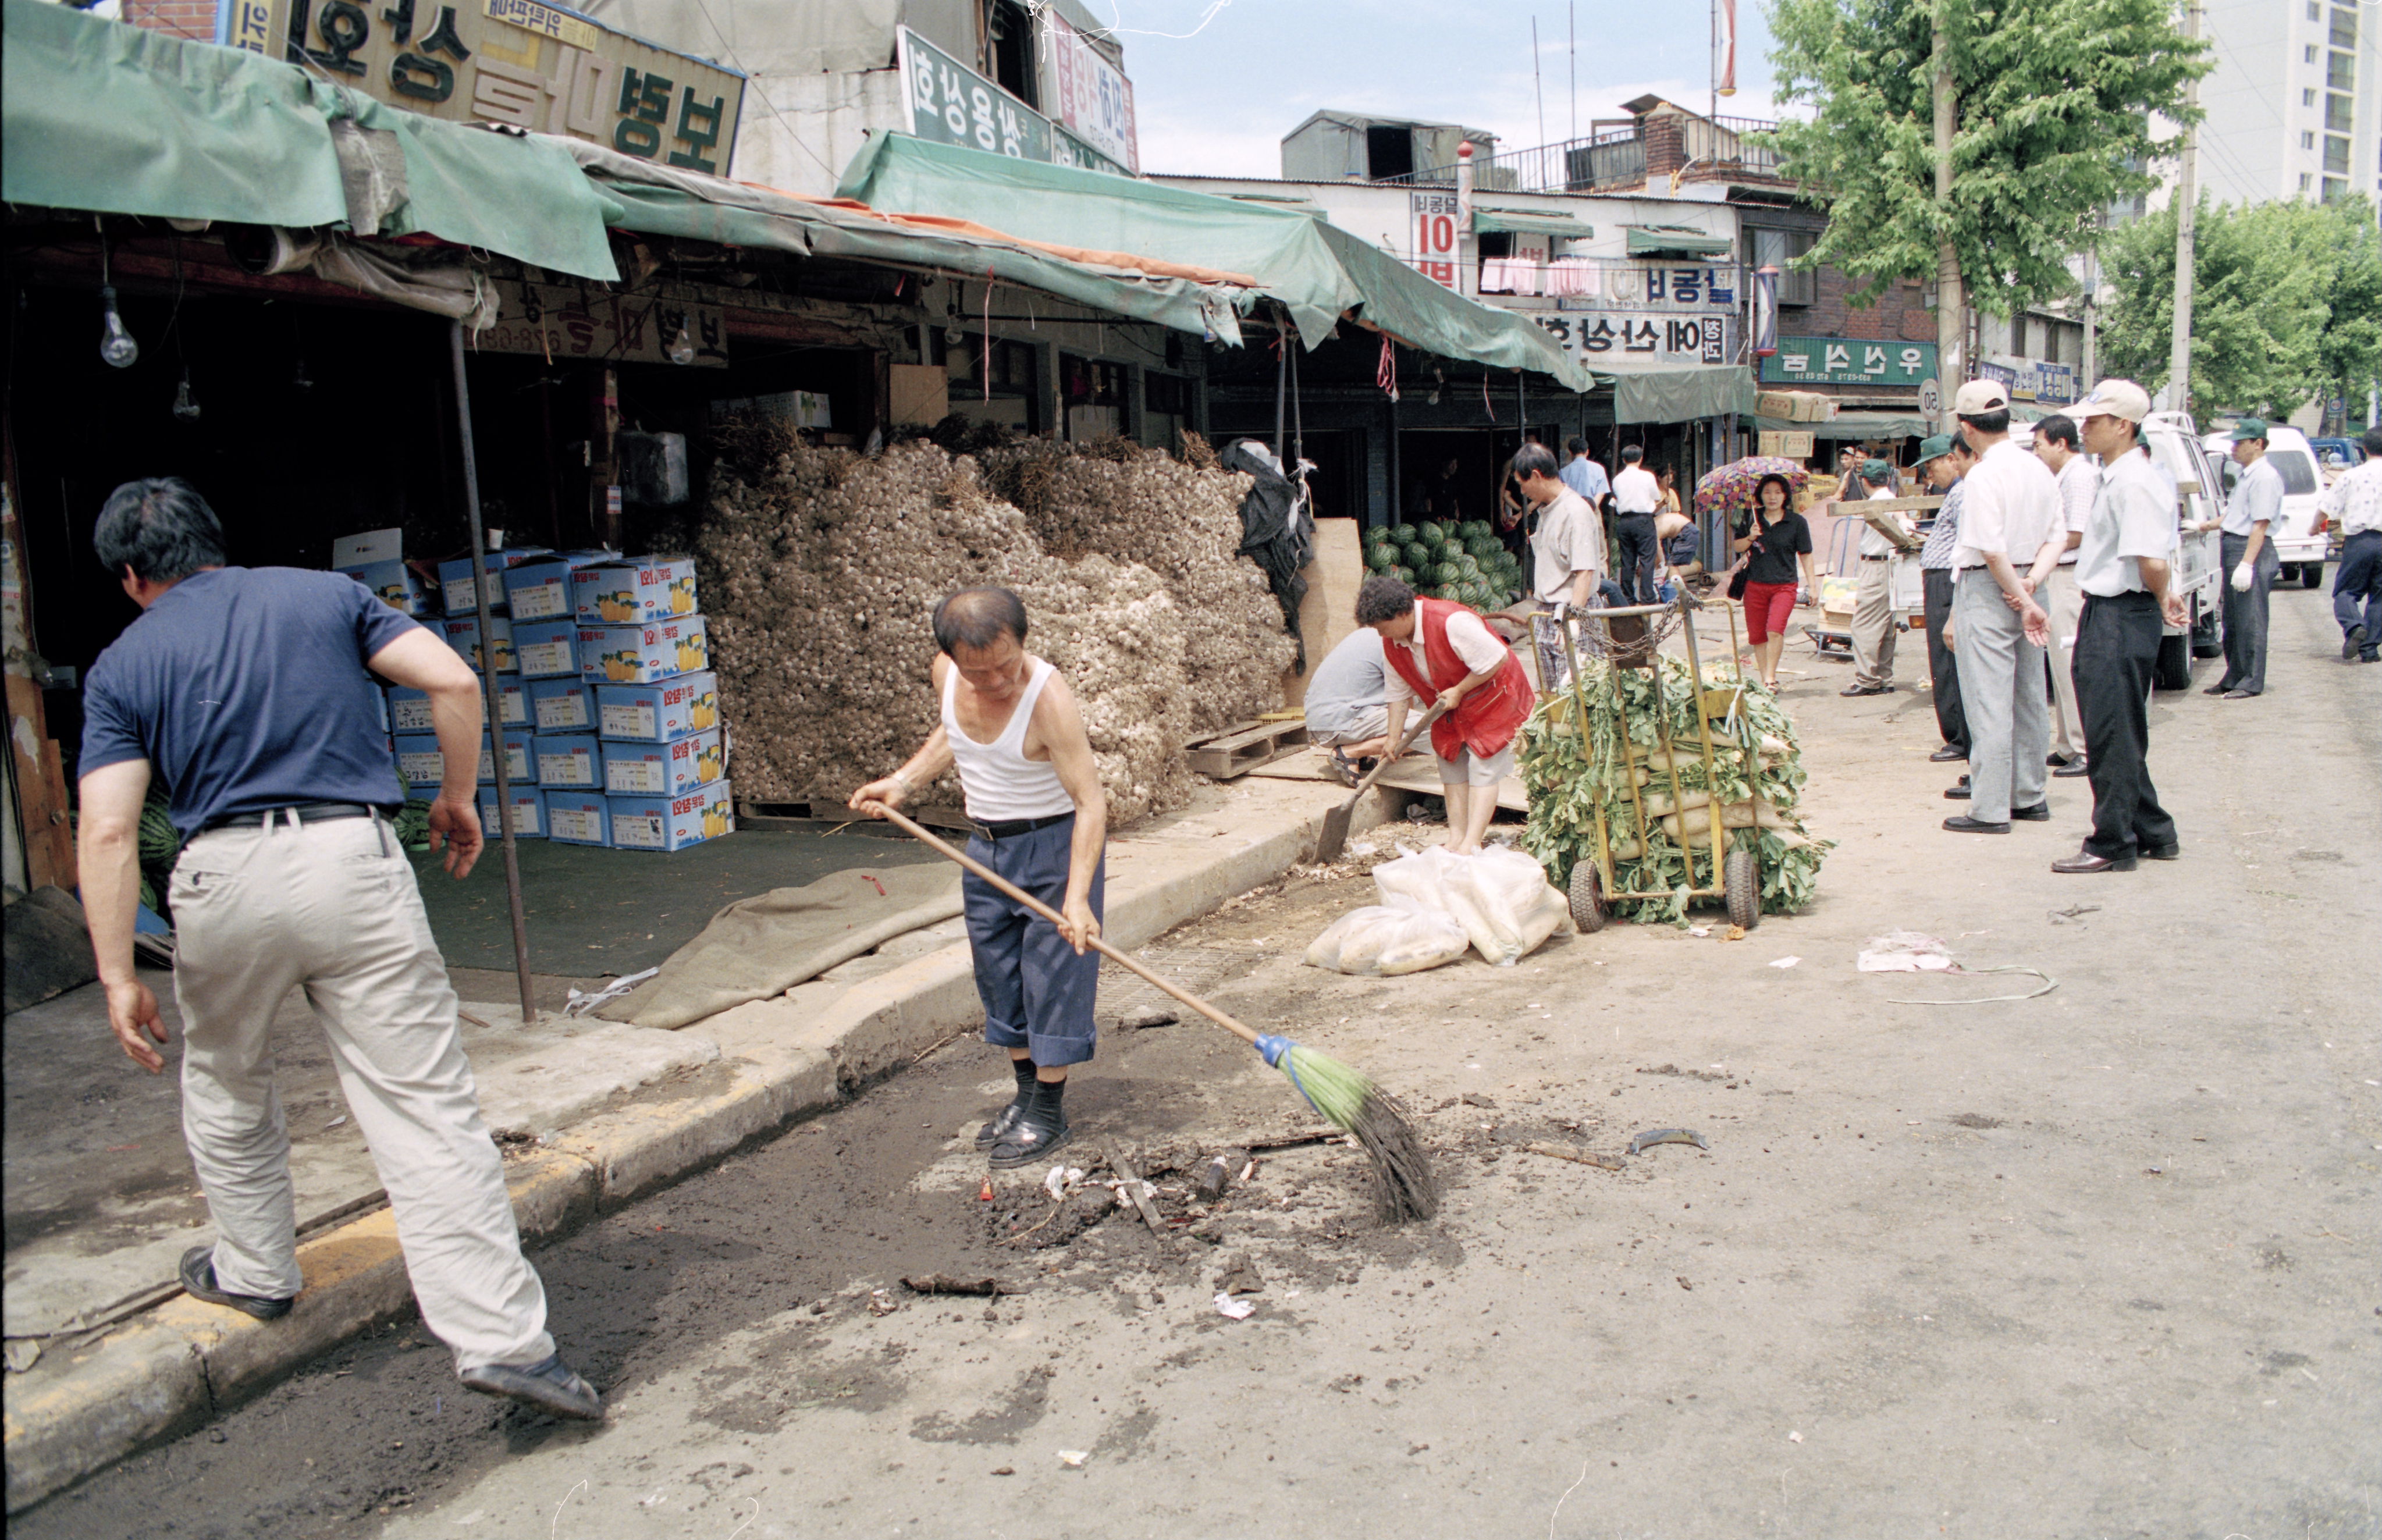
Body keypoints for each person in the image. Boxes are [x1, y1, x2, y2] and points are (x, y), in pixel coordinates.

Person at [74, 479, 602, 1421]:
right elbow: (454, 680)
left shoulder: (122, 663)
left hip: (220, 878)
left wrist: (117, 973)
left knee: (229, 1082)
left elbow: (109, 832)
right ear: (216, 543)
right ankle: (508, 1344)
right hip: (353, 859)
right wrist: (455, 795)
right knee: (425, 1107)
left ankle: (254, 1269)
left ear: (129, 576)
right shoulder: (327, 596)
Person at [851, 588, 1106, 1169]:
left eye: (1006, 665)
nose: (996, 682)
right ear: (952, 659)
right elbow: (952, 734)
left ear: (1021, 640)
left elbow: (1090, 801)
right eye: (978, 673)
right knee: (999, 975)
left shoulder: (1047, 699)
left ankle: (1048, 1109)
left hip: (1053, 846)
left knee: (1053, 977)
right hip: (984, 848)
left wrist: (1077, 898)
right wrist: (903, 782)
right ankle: (1023, 1097)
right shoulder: (948, 674)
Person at [2052, 380, 2187, 873]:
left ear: (2123, 425)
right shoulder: (2117, 475)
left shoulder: (2134, 481)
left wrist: (2161, 593)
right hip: (2113, 609)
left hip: (2123, 612)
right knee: (2118, 728)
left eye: (2092, 421)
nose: (2083, 429)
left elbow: (2150, 559)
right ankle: (2153, 828)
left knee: (2110, 731)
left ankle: (2113, 841)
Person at [1943, 379, 2063, 834]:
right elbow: (2058, 536)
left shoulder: (1984, 475)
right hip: (2033, 580)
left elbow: (1991, 550)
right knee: (2030, 695)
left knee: (1989, 699)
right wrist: (2031, 588)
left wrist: (2017, 591)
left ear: (1967, 427)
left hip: (1991, 589)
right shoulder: (2038, 469)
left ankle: (1990, 807)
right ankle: (2029, 794)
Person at [1360, 575, 1534, 856]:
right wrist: (1393, 738)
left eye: (1383, 628)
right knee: (1450, 762)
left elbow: (1497, 659)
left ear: (1403, 613)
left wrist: (1461, 689)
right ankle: (1456, 838)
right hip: (1449, 706)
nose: (1382, 635)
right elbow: (1398, 693)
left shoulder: (1450, 621)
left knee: (1483, 765)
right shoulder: (1392, 643)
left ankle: (1472, 842)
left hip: (1493, 698)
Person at [2030, 414, 2099, 776]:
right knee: (2058, 666)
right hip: (2057, 573)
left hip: (2070, 575)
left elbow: (2077, 531)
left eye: (2039, 444)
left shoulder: (2081, 475)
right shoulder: (2063, 476)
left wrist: (2039, 547)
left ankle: (2085, 748)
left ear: (2060, 443)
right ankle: (2069, 744)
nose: (2037, 452)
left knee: (2071, 664)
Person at [1517, 440, 1613, 689]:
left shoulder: (1575, 511)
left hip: (1571, 612)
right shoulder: (1548, 510)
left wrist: (1573, 622)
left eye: (1522, 484)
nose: (1522, 491)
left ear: (1537, 476)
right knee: (1550, 697)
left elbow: (1585, 572)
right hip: (1546, 612)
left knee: (1575, 696)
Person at [1913, 433, 1977, 765]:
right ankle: (1956, 733)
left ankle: (1960, 736)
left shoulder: (1964, 492)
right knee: (1942, 660)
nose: (1929, 476)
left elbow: (1966, 545)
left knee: (1948, 661)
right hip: (1938, 579)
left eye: (1931, 467)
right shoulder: (1954, 493)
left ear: (1951, 459)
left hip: (1947, 581)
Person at [2210, 418, 2281, 699]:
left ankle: (2251, 680)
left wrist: (2247, 563)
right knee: (2233, 618)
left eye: (2240, 443)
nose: (2234, 448)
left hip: (2250, 548)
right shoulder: (2246, 475)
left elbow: (2260, 524)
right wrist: (2203, 525)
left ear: (2258, 443)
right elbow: (2232, 516)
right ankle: (2235, 675)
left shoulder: (2264, 477)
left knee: (2250, 618)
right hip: (2236, 544)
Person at [1732, 473, 1819, 690]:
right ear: (1760, 495)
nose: (1772, 497)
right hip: (1755, 585)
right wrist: (1751, 537)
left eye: (1778, 492)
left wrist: (1813, 586)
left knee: (1775, 629)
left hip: (1784, 585)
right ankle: (1765, 680)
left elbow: (1806, 554)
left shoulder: (1796, 522)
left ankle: (1771, 676)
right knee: (1757, 635)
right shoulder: (1751, 518)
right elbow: (1737, 548)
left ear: (1785, 496)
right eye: (1767, 492)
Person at [1842, 458, 1912, 697]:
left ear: (1864, 481)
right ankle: (1884, 677)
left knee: (1864, 625)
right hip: (1891, 566)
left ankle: (1868, 679)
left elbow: (1906, 525)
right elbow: (1907, 525)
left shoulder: (1877, 502)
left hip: (1876, 566)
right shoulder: (1892, 499)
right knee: (1886, 625)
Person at [2317, 425, 2382, 664]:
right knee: (2380, 597)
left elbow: (2327, 508)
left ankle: (2354, 626)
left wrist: (2314, 527)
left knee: (2346, 592)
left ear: (2364, 449)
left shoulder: (2350, 476)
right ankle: (2370, 650)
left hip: (2359, 541)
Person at [1303, 625, 1395, 783]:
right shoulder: (1388, 641)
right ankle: (1350, 753)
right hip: (1337, 724)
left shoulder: (1361, 636)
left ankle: (1360, 755)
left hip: (1319, 723)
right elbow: (1402, 698)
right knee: (1433, 730)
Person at [1608, 446, 1663, 604]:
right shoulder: (1648, 476)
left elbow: (1615, 500)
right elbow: (1656, 497)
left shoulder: (1617, 479)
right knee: (1647, 559)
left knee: (1627, 560)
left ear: (1624, 460)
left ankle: (1628, 597)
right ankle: (1647, 598)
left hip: (1625, 521)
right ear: (1641, 459)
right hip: (1643, 520)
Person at [1558, 436, 1609, 507]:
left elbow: (1561, 494)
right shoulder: (1599, 468)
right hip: (1592, 509)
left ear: (1571, 453)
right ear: (1587, 452)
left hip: (1572, 509)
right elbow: (1601, 493)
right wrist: (1592, 507)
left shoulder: (1563, 472)